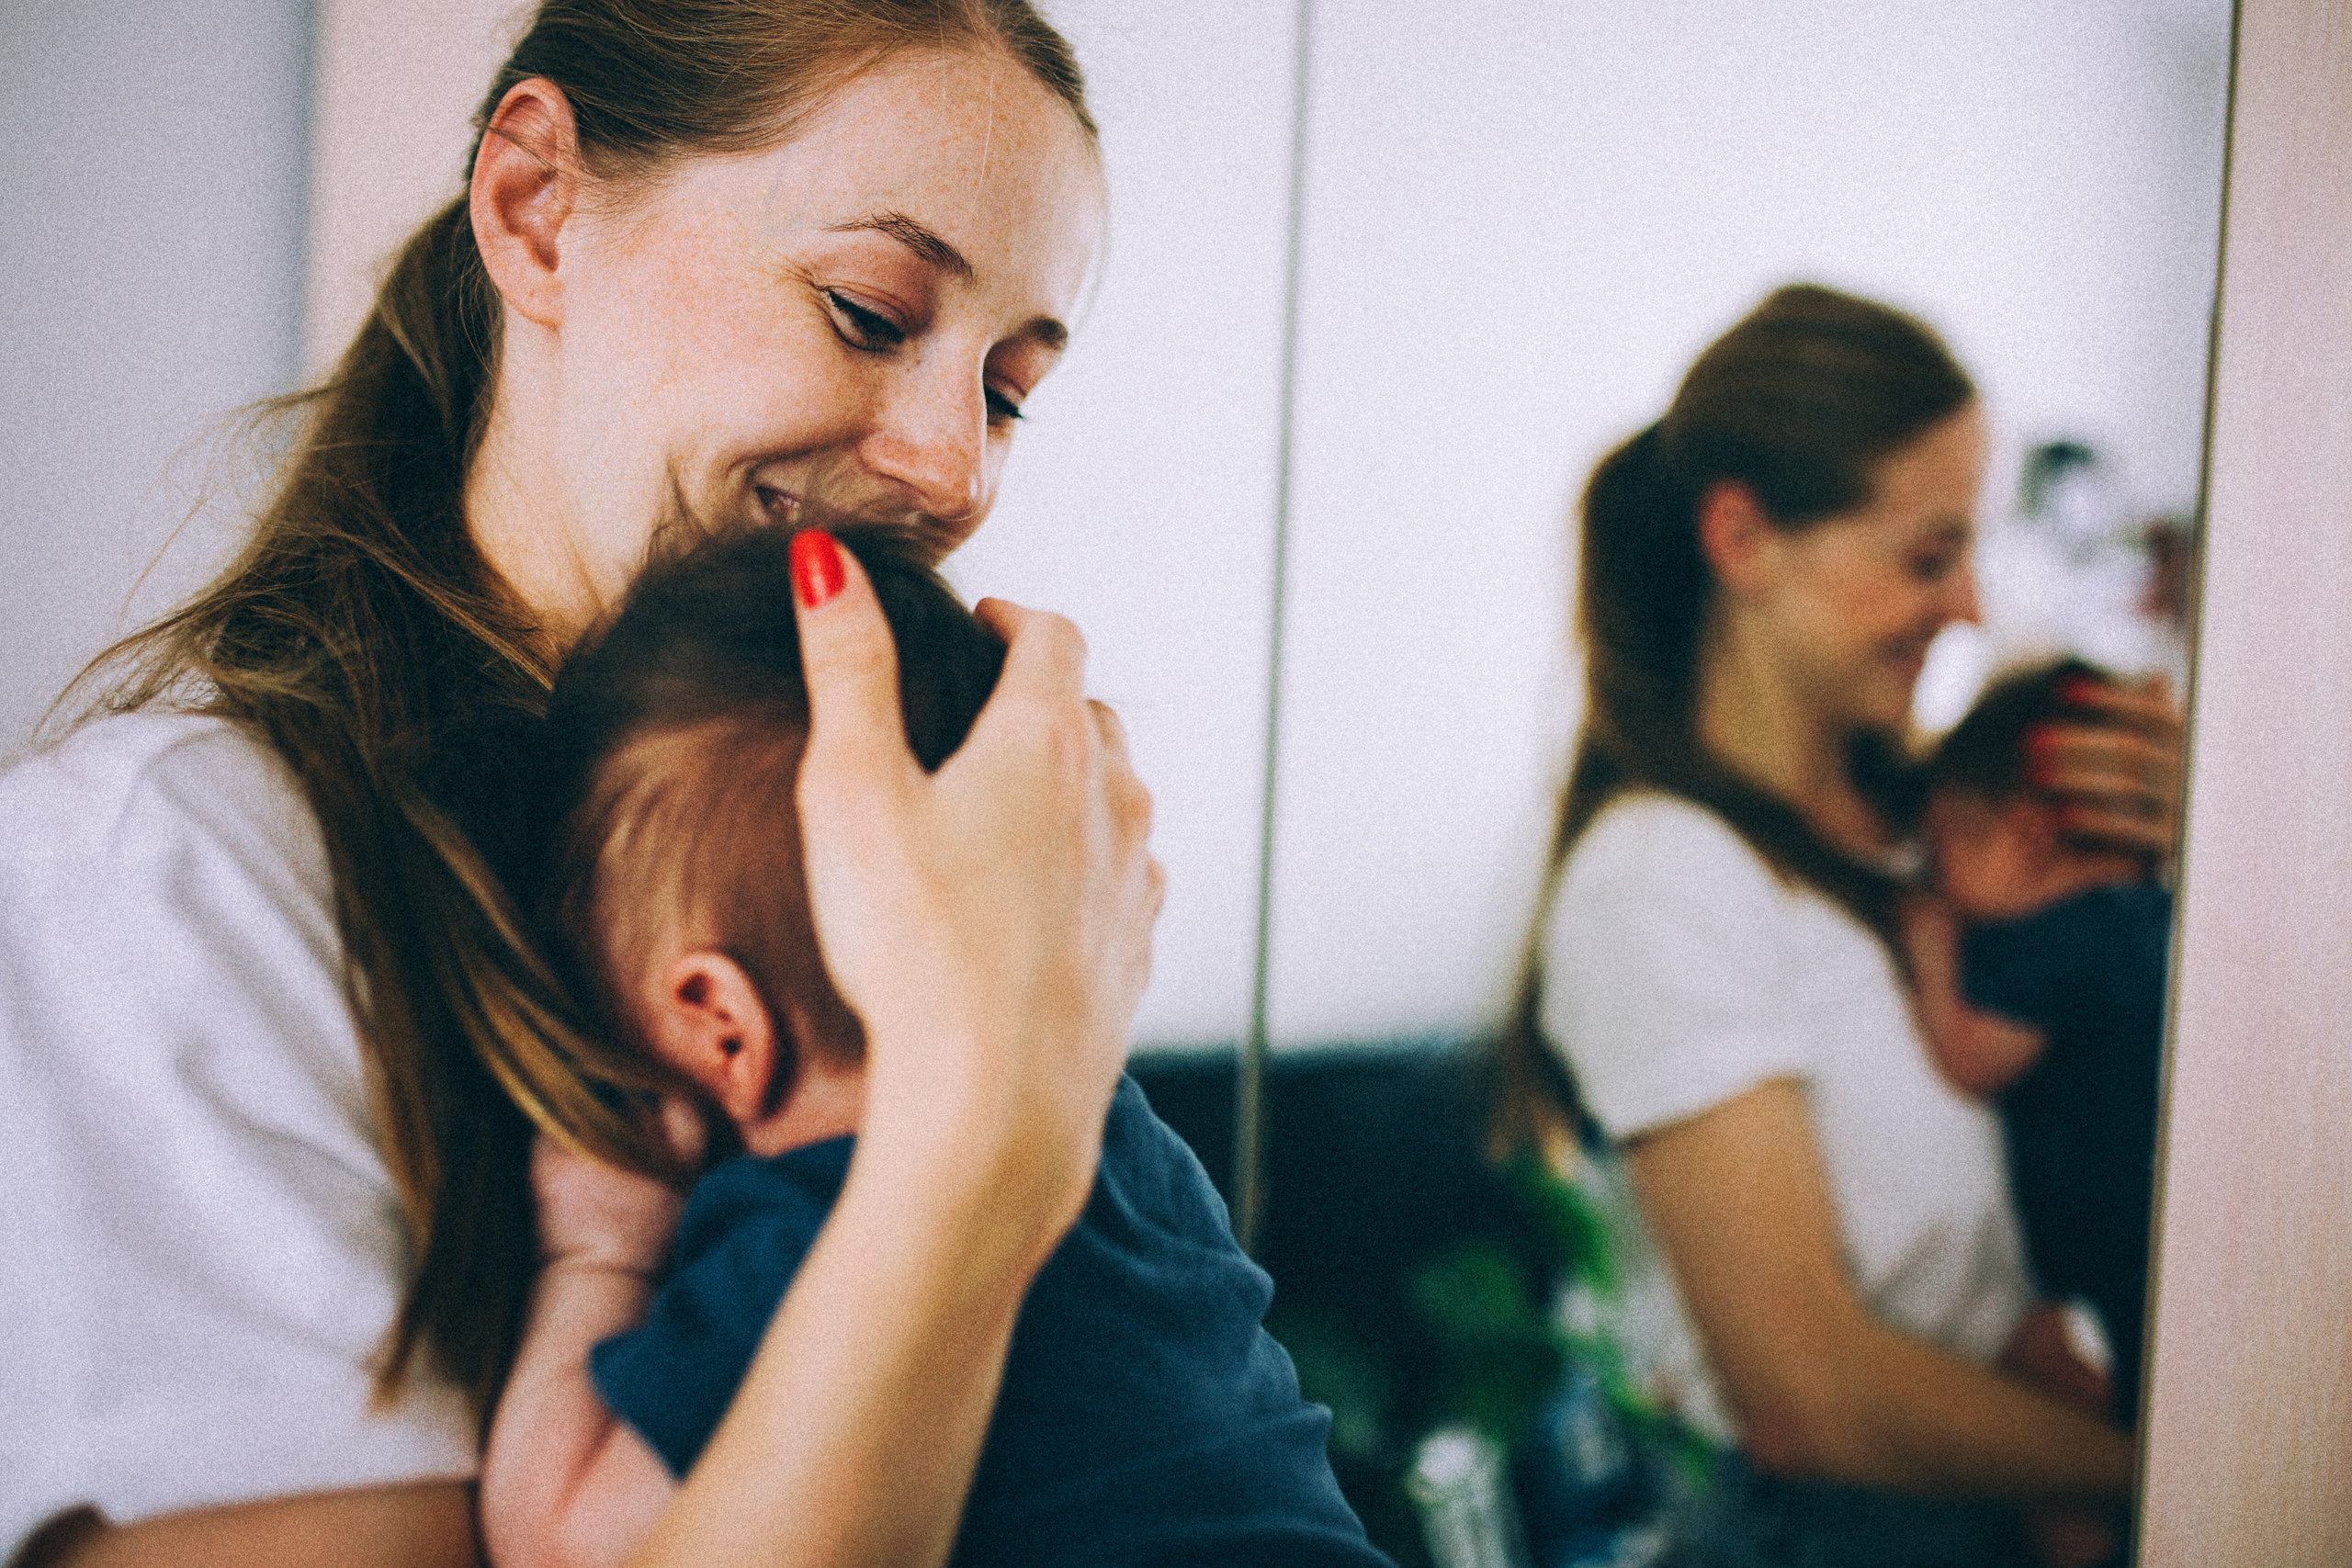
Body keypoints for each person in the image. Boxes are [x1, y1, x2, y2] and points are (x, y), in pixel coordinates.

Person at [0, 5, 1167, 1565]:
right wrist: (987, 1135)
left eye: (1010, 388)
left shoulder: (880, 858)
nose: (961, 472)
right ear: (538, 208)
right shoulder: (175, 875)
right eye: (871, 311)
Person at [479, 525, 1386, 1568]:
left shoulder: (801, 1235)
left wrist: (597, 1247)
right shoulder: (1125, 1146)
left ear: (719, 1023)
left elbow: (560, 1541)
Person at [1489, 285, 2182, 1567]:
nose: (1970, 605)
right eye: (1928, 554)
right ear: (1745, 538)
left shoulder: (1943, 839)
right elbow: (1806, 1393)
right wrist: (2189, 1474)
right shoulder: (1659, 879)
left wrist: (2207, 847)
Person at [1908, 658, 2172, 1429]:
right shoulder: (2150, 917)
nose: (1939, 880)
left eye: (1945, 847)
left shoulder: (2057, 935)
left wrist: (1929, 944)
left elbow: (1970, 1056)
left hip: (2113, 1251)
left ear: (2023, 837)